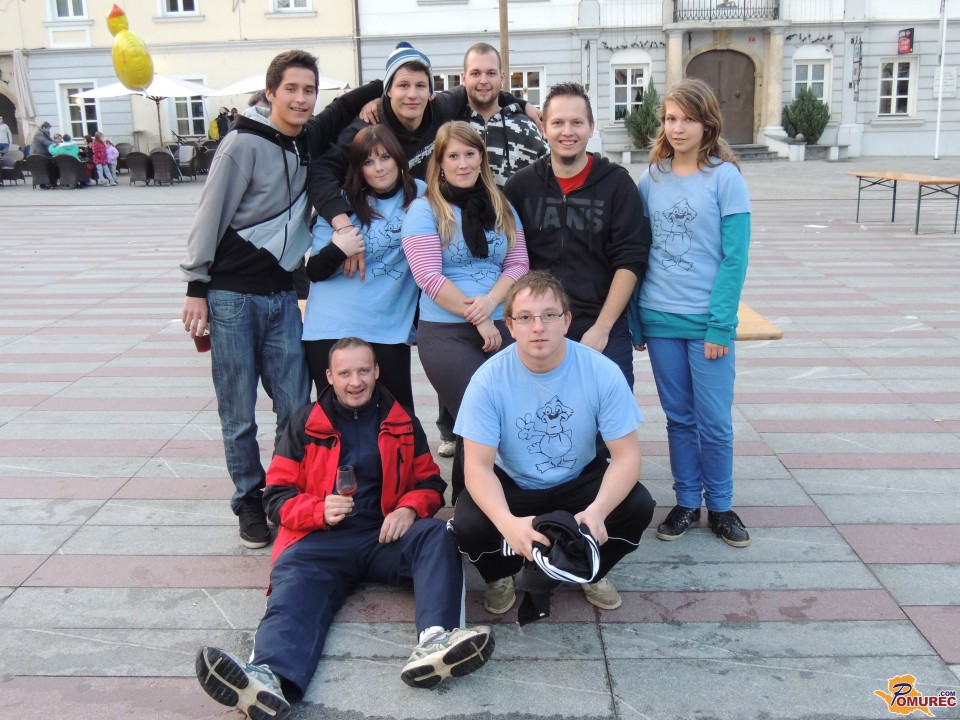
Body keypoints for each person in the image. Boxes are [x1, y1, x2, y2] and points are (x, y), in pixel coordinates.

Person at [195, 338, 494, 720]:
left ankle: (436, 640)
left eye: (364, 371)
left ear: (377, 371)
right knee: (295, 585)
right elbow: (276, 497)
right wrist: (318, 510)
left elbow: (430, 483)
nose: (356, 381)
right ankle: (269, 677)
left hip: (384, 535)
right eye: (346, 373)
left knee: (437, 536)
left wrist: (408, 508)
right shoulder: (304, 423)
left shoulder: (402, 420)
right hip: (321, 540)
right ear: (330, 376)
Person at [180, 49, 383, 549]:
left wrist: (387, 83)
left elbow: (347, 105)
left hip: (282, 295)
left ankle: (284, 490)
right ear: (270, 92)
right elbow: (209, 213)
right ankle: (248, 499)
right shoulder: (241, 143)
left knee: (295, 404)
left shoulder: (308, 139)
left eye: (308, 90)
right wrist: (196, 285)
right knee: (238, 410)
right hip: (230, 294)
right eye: (290, 89)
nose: (300, 98)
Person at [452, 271, 655, 617]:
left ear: (567, 321)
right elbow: (477, 467)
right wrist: (507, 523)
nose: (538, 327)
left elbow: (627, 457)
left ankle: (589, 565)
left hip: (577, 478)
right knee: (469, 521)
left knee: (637, 505)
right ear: (510, 325)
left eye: (549, 315)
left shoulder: (602, 371)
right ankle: (499, 573)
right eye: (525, 317)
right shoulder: (487, 380)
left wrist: (598, 511)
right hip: (514, 481)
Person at [631, 77, 752, 548]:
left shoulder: (726, 178)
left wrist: (721, 324)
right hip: (660, 318)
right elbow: (639, 251)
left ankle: (720, 506)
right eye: (670, 118)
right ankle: (686, 502)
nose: (677, 128)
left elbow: (734, 258)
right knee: (679, 418)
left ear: (707, 124)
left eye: (688, 119)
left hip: (708, 324)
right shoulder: (652, 178)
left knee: (714, 421)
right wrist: (636, 319)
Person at [401, 121, 529, 503]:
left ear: (481, 158)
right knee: (479, 417)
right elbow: (428, 276)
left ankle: (490, 502)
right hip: (447, 332)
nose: (462, 163)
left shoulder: (501, 205)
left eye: (470, 154)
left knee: (508, 416)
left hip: (504, 322)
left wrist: (492, 304)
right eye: (453, 156)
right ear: (440, 163)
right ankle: (472, 505)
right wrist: (481, 317)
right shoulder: (424, 210)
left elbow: (518, 263)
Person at [504, 82, 649, 389]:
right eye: (557, 122)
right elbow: (508, 258)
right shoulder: (521, 187)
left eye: (577, 122)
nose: (567, 132)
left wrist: (603, 328)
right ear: (544, 128)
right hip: (539, 324)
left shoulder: (617, 185)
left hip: (601, 321)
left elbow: (630, 260)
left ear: (591, 127)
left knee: (612, 411)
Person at [302, 124, 425, 406]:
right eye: (368, 162)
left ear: (398, 158)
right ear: (358, 168)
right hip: (331, 328)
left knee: (398, 418)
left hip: (388, 328)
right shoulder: (340, 204)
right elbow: (315, 271)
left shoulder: (421, 194)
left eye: (385, 157)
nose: (379, 168)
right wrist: (341, 247)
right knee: (335, 420)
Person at [458, 43, 547, 187]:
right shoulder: (451, 125)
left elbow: (550, 179)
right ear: (464, 78)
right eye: (475, 73)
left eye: (491, 73)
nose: (483, 81)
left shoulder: (527, 128)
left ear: (502, 77)